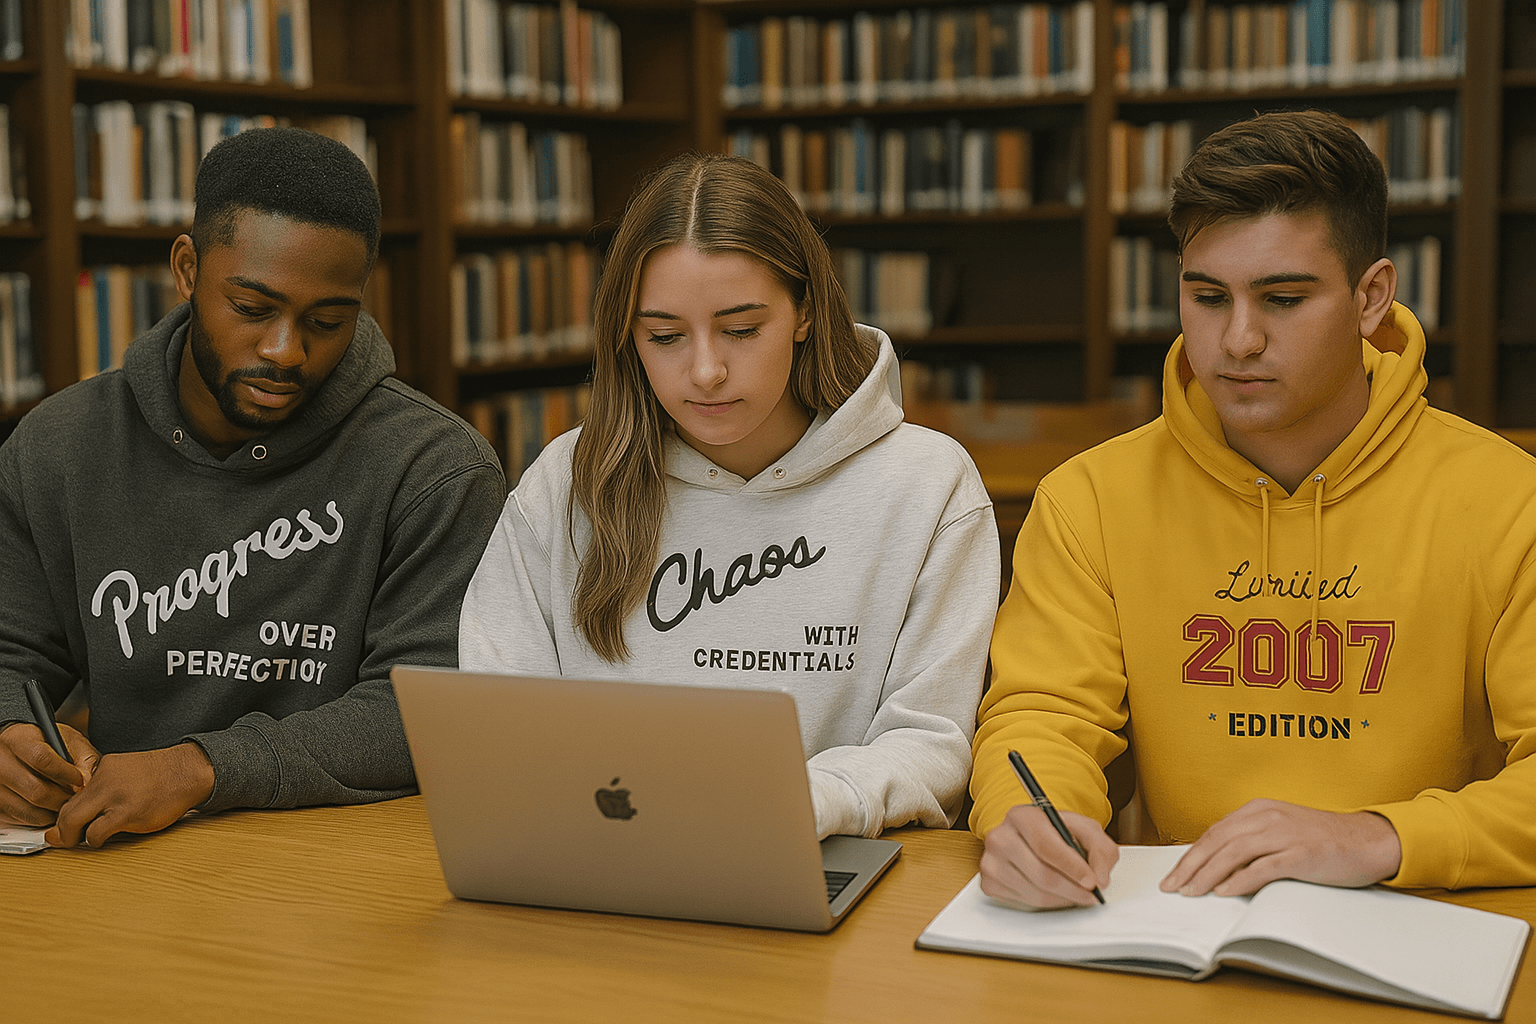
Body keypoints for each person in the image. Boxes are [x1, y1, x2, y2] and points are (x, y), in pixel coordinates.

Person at [972, 109, 1536, 907]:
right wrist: (1032, 818)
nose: (1236, 340)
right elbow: (1044, 717)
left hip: (1426, 920)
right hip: (1180, 922)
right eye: (1207, 297)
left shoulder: (1512, 503)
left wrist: (1380, 836)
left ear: (1370, 297)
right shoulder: (1090, 499)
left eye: (1281, 299)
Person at [459, 152, 999, 839]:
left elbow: (932, 740)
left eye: (742, 330)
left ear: (805, 312)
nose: (707, 370)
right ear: (628, 336)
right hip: (599, 856)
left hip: (822, 851)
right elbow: (497, 718)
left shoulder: (928, 484)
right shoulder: (565, 483)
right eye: (665, 336)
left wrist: (802, 803)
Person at [0, 127, 505, 847]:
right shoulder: (59, 446)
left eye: (327, 321)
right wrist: (8, 735)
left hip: (349, 872)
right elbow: (10, 647)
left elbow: (423, 708)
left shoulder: (434, 469)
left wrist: (201, 769)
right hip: (120, 866)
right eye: (252, 308)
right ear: (186, 267)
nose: (285, 351)